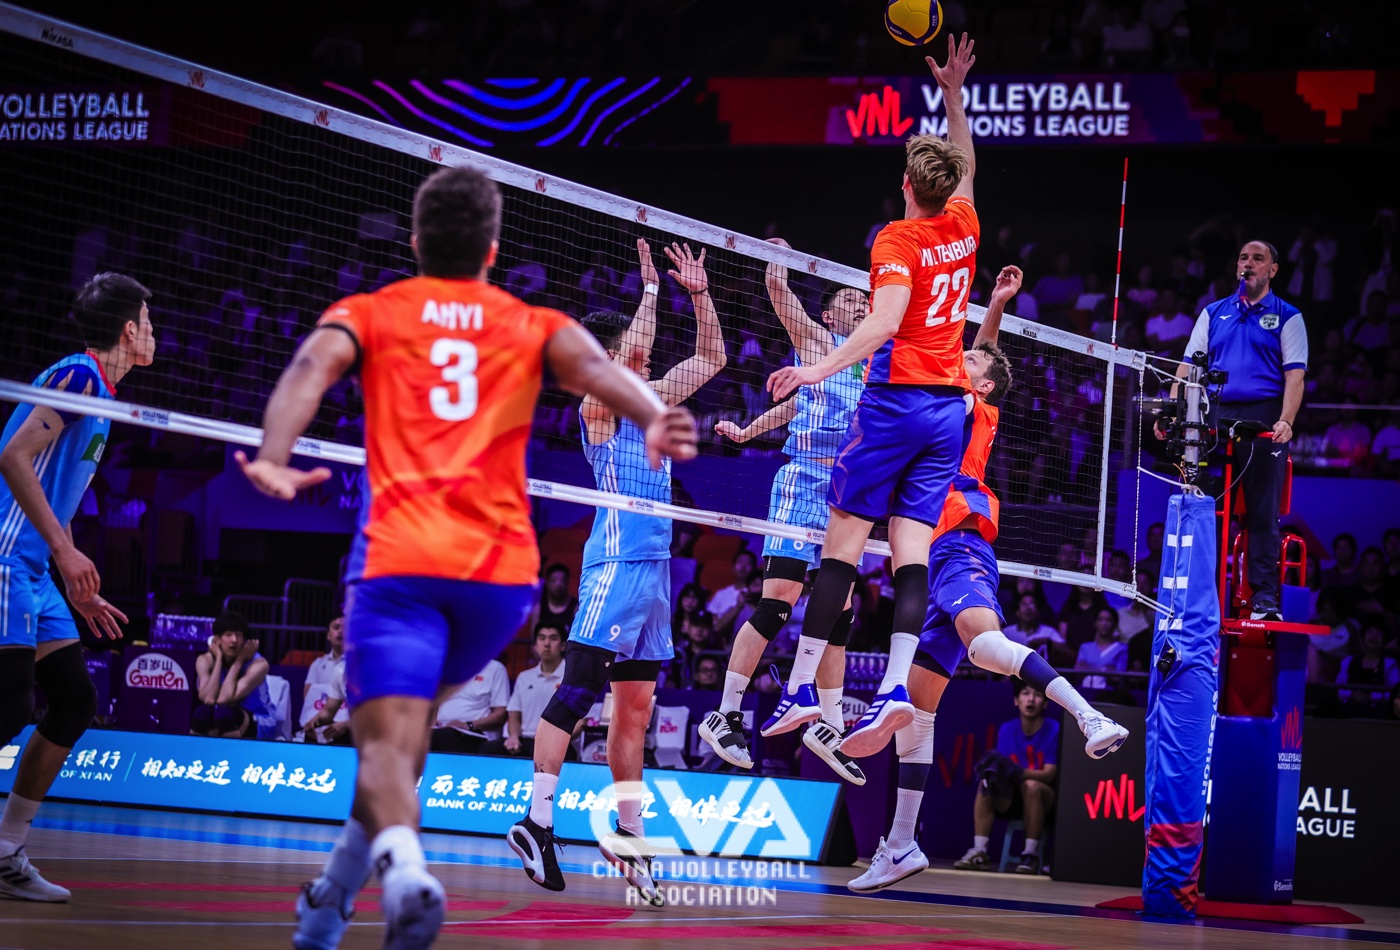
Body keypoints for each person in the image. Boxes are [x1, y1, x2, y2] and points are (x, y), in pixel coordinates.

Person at [237, 167, 697, 950]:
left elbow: (310, 368)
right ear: (492, 249)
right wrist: (656, 417)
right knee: (408, 730)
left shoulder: (372, 309)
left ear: (416, 242)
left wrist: (275, 454)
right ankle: (331, 897)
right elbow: (602, 373)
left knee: (388, 742)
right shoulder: (529, 320)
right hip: (500, 580)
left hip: (404, 564)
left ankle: (406, 874)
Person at [844, 267, 1126, 892]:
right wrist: (995, 303)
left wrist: (975, 323)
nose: (962, 358)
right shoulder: (953, 395)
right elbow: (982, 352)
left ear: (985, 384)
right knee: (918, 712)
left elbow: (979, 359)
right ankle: (901, 844)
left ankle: (1089, 717)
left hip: (960, 540)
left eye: (970, 361)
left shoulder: (973, 407)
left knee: (984, 645)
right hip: (927, 555)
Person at [762, 35, 982, 750]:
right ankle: (892, 688)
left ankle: (801, 686)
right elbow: (968, 163)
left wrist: (816, 370)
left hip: (896, 402)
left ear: (908, 185)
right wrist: (953, 97)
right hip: (948, 411)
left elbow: (884, 321)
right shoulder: (965, 224)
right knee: (910, 554)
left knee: (843, 547)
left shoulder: (897, 240)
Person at [509, 238, 725, 907]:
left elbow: (712, 358)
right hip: (615, 563)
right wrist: (652, 290)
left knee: (635, 712)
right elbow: (630, 357)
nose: (644, 359)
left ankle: (629, 840)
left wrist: (699, 296)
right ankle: (537, 822)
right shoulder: (596, 409)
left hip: (656, 574)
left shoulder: (654, 399)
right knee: (578, 691)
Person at [0, 273, 150, 902]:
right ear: (129, 330)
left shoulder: (102, 395)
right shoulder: (81, 376)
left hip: (38, 573)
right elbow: (12, 454)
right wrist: (63, 549)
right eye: (149, 321)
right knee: (8, 708)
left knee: (73, 700)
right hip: (6, 560)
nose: (154, 332)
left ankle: (6, 852)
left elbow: (47, 481)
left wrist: (68, 573)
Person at [703, 237, 869, 784]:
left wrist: (750, 430)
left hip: (844, 494)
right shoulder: (818, 340)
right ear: (829, 315)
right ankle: (725, 713)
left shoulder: (865, 365)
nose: (862, 306)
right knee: (779, 603)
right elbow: (779, 292)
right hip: (803, 484)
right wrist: (779, 259)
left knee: (840, 611)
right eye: (850, 300)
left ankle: (830, 726)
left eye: (866, 301)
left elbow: (798, 403)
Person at [1159, 239, 1307, 621]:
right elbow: (1188, 369)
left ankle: (1264, 599)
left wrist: (1286, 420)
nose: (1249, 264)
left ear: (1273, 270)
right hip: (1216, 417)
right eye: (1243, 257)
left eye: (1258, 259)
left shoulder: (1289, 316)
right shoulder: (1213, 313)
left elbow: (1295, 376)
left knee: (1262, 512)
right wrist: (1172, 413)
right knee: (1203, 508)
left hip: (1264, 419)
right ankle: (1197, 593)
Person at [951, 682, 1060, 875]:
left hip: (1045, 799)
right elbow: (1003, 774)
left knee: (1032, 786)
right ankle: (980, 852)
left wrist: (1016, 771)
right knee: (987, 782)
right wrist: (998, 773)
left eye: (1037, 695)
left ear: (1045, 703)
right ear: (1016, 701)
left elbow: (1049, 774)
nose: (1031, 699)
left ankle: (1030, 855)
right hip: (1012, 797)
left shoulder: (1054, 729)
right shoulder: (1007, 729)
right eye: (1025, 693)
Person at [480, 624, 569, 758]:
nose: (546, 644)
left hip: (558, 743)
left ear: (563, 646)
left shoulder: (571, 678)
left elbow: (581, 721)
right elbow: (514, 715)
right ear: (535, 645)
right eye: (542, 638)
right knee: (487, 749)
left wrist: (558, 740)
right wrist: (514, 737)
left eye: (553, 638)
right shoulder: (524, 677)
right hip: (525, 740)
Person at [192, 612, 276, 739]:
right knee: (202, 713)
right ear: (217, 639)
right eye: (228, 634)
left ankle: (232, 751)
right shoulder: (205, 661)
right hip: (224, 718)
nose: (234, 640)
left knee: (224, 714)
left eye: (239, 635)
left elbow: (224, 700)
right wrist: (219, 659)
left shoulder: (259, 665)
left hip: (260, 720)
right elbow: (208, 699)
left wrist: (239, 660)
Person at [428, 657, 509, 754]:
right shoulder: (447, 666)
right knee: (418, 734)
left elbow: (500, 715)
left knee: (444, 736)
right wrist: (433, 719)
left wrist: (468, 725)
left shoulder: (495, 668)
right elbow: (434, 701)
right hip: (440, 729)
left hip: (475, 732)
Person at [536, 563, 578, 633]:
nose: (558, 584)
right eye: (554, 580)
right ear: (547, 583)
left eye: (562, 580)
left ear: (567, 582)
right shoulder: (538, 607)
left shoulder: (576, 608)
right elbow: (534, 636)